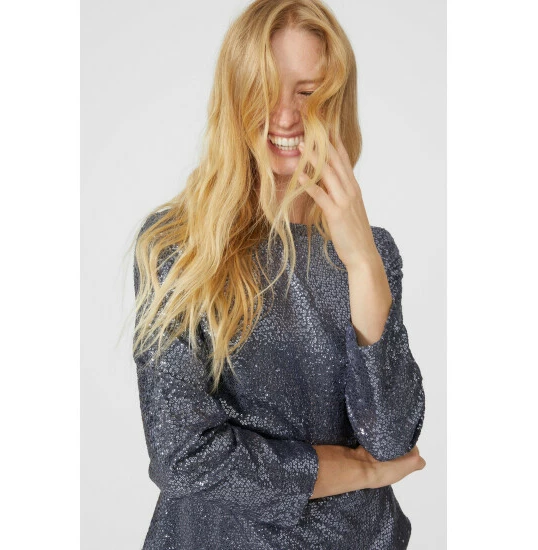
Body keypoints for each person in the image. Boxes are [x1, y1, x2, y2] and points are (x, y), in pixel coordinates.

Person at [132, 0, 426, 548]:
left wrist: (363, 262)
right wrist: (357, 472)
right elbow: (183, 456)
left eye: (308, 92)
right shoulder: (177, 247)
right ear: (235, 94)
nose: (286, 116)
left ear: (336, 102)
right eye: (266, 89)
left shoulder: (375, 253)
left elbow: (391, 439)